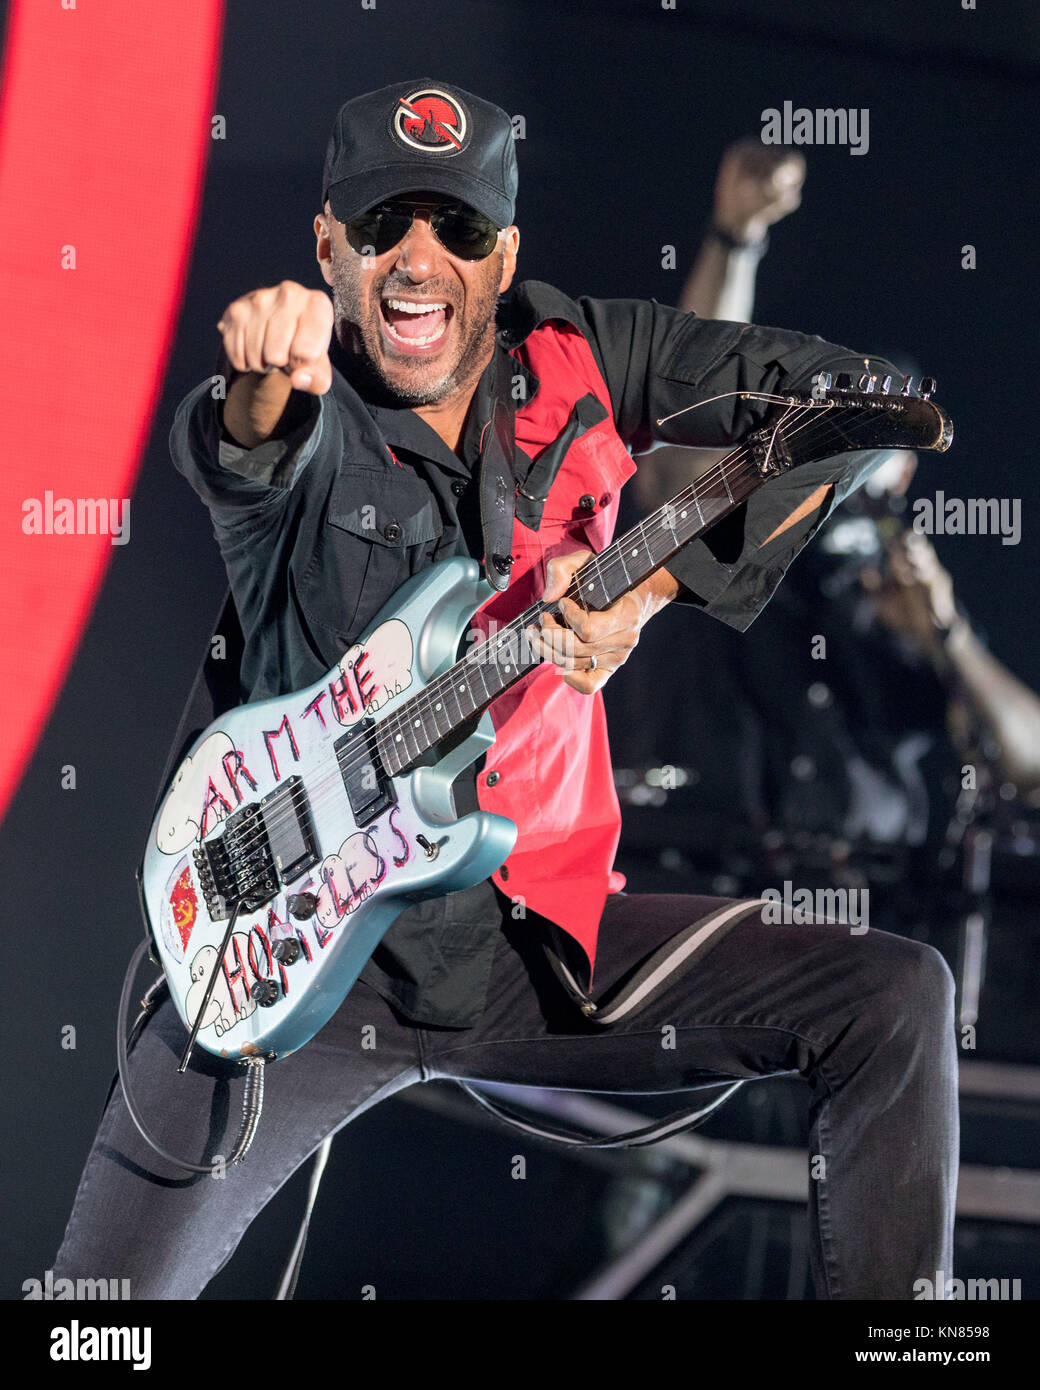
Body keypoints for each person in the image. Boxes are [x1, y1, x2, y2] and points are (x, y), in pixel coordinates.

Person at [50, 80, 956, 1301]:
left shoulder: (587, 354)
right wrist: (262, 373)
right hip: (282, 972)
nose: (419, 261)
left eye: (457, 231)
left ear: (504, 252)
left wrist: (648, 594)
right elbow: (237, 441)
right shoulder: (309, 412)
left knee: (894, 995)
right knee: (93, 1322)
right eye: (382, 227)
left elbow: (832, 399)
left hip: (532, 947)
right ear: (329, 245)